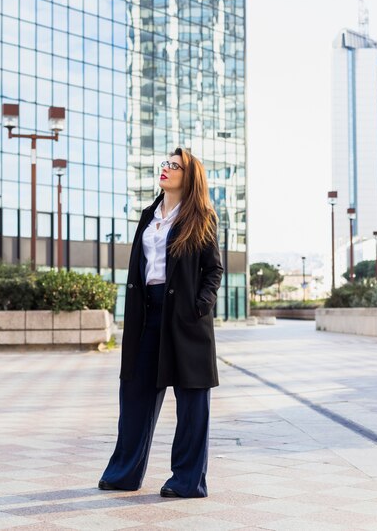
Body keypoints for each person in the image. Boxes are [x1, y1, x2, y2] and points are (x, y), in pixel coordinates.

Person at [98, 147, 223, 498]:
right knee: (135, 393)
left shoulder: (202, 217)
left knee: (192, 403)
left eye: (174, 166)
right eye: (165, 164)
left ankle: (187, 481)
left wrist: (200, 305)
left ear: (189, 176)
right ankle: (123, 473)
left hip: (186, 319)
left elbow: (214, 269)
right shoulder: (149, 215)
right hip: (146, 316)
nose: (165, 169)